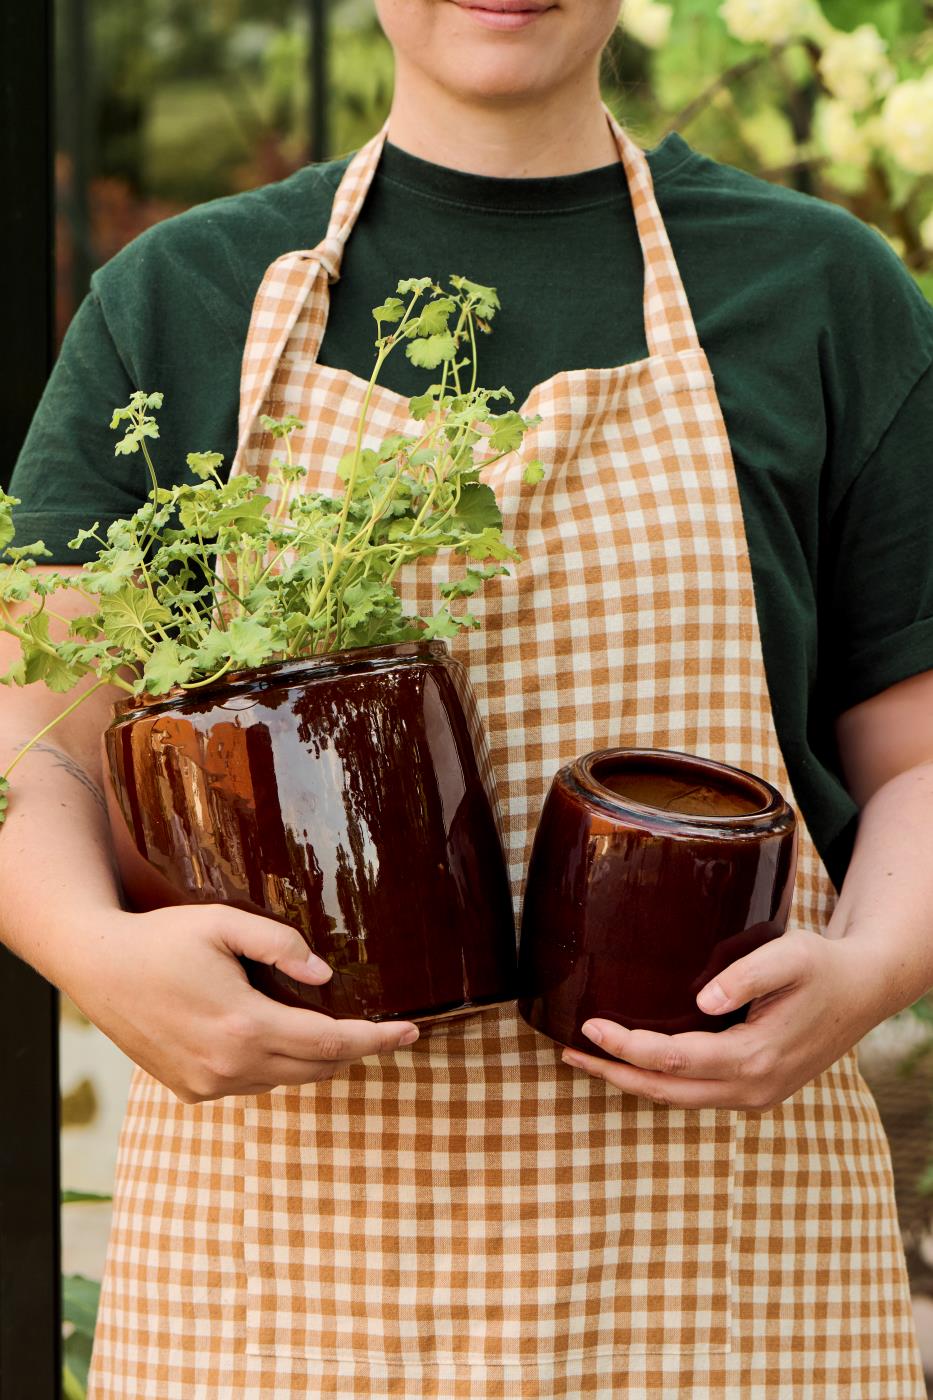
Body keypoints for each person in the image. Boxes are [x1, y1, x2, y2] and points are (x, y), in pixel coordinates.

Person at [3, 0, 933, 1395]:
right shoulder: (180, 297)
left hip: (716, 1264)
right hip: (287, 1270)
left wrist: (866, 974)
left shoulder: (818, 289)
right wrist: (89, 946)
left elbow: (917, 757)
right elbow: (35, 740)